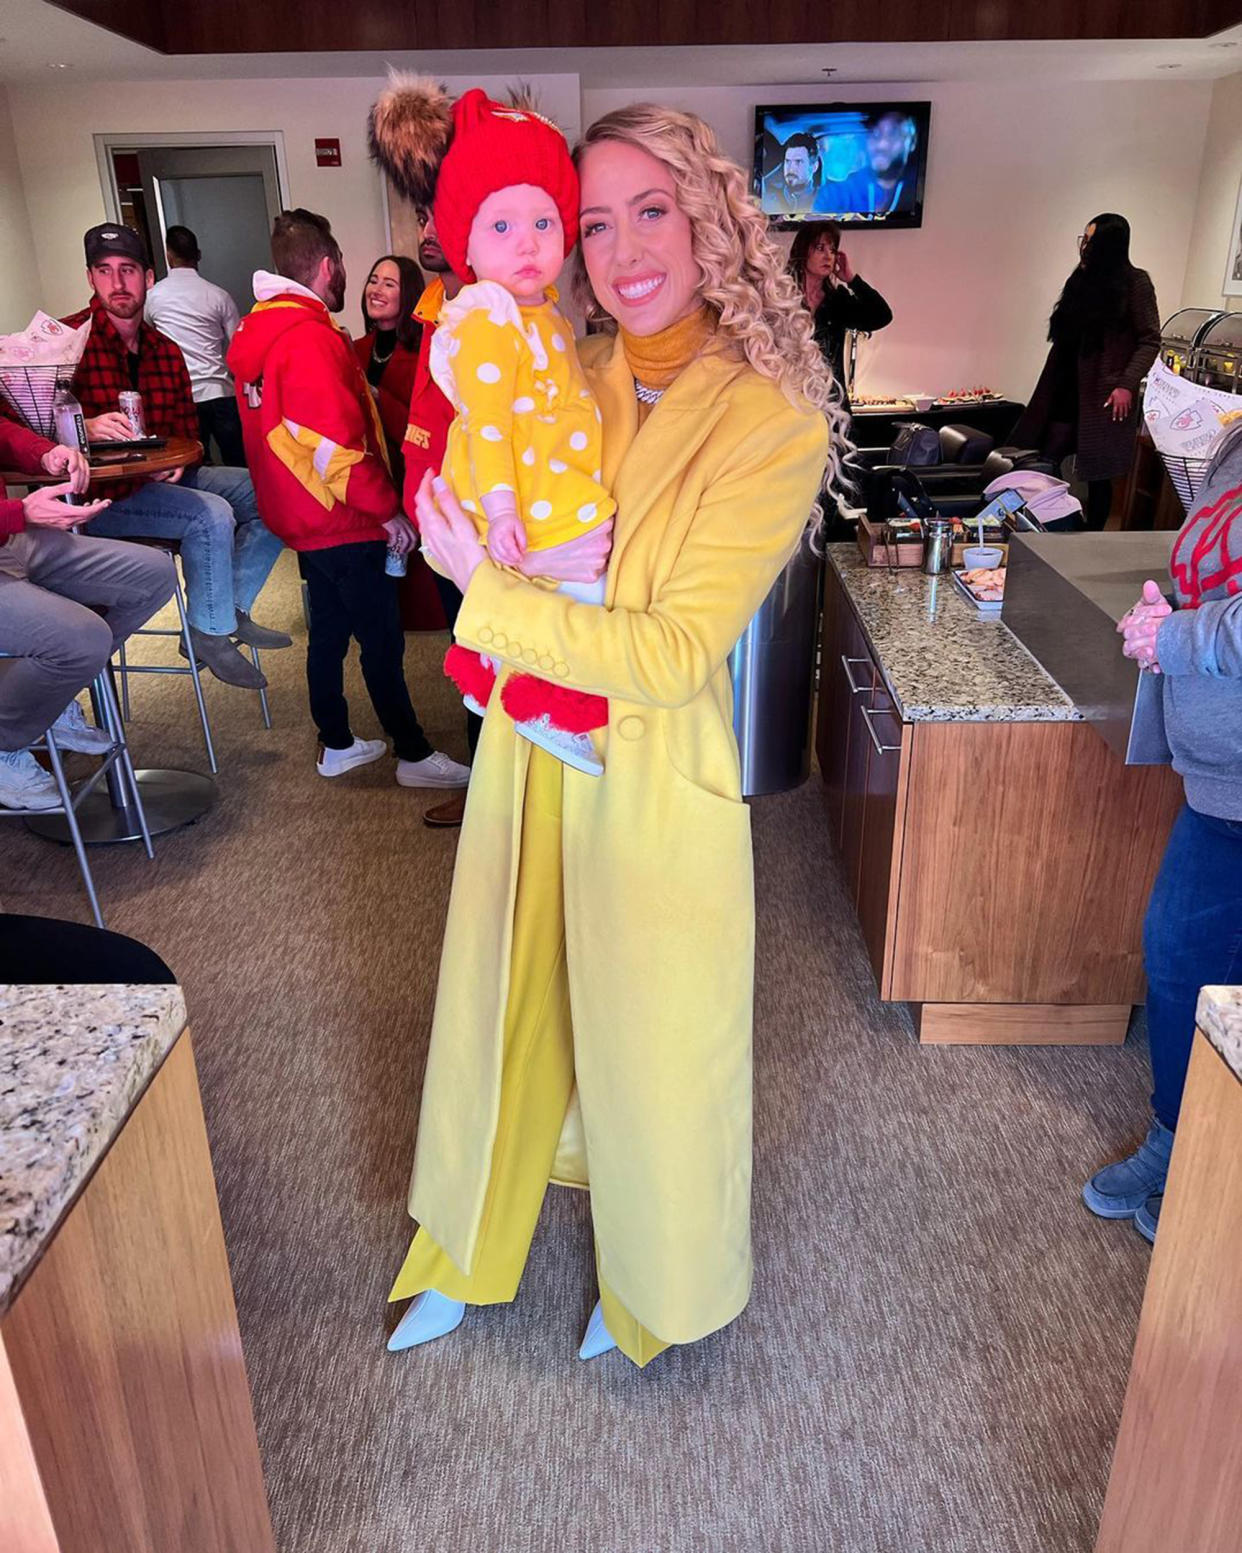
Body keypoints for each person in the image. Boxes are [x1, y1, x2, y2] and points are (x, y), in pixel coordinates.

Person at [378, 99, 844, 1367]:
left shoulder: (773, 423)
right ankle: (462, 1249)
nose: (624, 247)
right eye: (594, 219)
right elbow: (468, 489)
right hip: (532, 757)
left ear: (711, 220)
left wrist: (485, 592)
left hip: (648, 780)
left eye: (655, 210)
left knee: (653, 1055)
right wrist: (444, 513)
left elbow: (669, 654)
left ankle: (651, 1287)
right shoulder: (559, 362)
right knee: (504, 1014)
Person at [371, 81, 616, 777]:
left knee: (562, 604)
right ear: (467, 243)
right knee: (567, 607)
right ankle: (541, 707)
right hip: (517, 498)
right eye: (502, 227)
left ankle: (510, 692)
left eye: (544, 225)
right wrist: (503, 511)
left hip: (545, 485)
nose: (529, 245)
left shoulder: (545, 317)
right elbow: (484, 423)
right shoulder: (486, 314)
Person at [228, 208, 470, 790]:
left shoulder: (260, 332)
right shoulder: (309, 338)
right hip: (342, 517)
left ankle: (336, 741)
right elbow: (333, 447)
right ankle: (412, 754)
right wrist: (387, 511)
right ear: (329, 266)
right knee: (381, 641)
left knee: (329, 636)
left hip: (301, 516)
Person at [1083, 421, 1242, 1244]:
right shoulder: (1234, 444)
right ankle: (1181, 1137)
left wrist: (1177, 638)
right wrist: (1169, 609)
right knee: (1180, 963)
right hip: (1219, 781)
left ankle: (1213, 1164)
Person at [65, 223, 288, 690]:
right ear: (91, 279)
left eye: (127, 270)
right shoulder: (66, 344)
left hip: (160, 483)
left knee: (271, 490)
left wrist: (183, 460)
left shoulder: (166, 351)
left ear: (149, 277)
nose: (117, 283)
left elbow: (188, 429)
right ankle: (210, 631)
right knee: (211, 514)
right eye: (105, 272)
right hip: (102, 499)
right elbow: (22, 421)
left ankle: (222, 611)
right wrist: (79, 429)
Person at [0, 417, 176, 811]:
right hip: (10, 527)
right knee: (83, 638)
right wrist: (18, 514)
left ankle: (47, 695)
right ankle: (5, 740)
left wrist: (46, 454)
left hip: (9, 538)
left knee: (153, 574)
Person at [393, 208, 480, 829]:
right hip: (439, 518)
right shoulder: (434, 305)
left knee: (484, 654)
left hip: (475, 519)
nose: (427, 229)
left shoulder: (485, 309)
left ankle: (493, 794)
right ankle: (489, 785)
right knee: (466, 651)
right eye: (424, 216)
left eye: (442, 216)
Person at [1014, 214, 1160, 530]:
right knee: (1046, 458)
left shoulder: (1136, 283)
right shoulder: (1081, 279)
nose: (1085, 245)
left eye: (1090, 239)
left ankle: (1091, 536)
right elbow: (1065, 333)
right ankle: (1046, 525)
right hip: (1066, 383)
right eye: (1084, 238)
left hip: (1104, 392)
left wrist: (1126, 384)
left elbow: (1150, 340)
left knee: (1099, 473)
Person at [145, 224, 246, 466]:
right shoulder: (218, 295)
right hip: (220, 391)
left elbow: (147, 343)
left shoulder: (153, 297)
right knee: (238, 465)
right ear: (198, 255)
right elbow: (239, 347)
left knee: (194, 468)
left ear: (168, 255)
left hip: (181, 397)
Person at [789, 220, 892, 414]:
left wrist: (852, 279)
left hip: (830, 404)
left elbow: (881, 316)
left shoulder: (837, 300)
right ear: (803, 251)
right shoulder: (781, 297)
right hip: (789, 401)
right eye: (820, 248)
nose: (828, 256)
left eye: (833, 250)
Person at [353, 254, 423, 482]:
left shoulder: (425, 355)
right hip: (365, 479)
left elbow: (422, 431)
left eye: (389, 284)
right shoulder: (354, 349)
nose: (376, 289)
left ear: (408, 296)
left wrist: (376, 395)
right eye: (373, 281)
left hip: (410, 478)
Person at [814, 111, 919, 219]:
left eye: (893, 134)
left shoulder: (918, 190)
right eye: (875, 134)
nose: (882, 145)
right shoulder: (837, 192)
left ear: (912, 141)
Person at [762, 130, 821, 216]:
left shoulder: (824, 200)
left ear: (814, 167)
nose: (791, 169)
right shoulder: (769, 199)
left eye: (798, 162)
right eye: (788, 161)